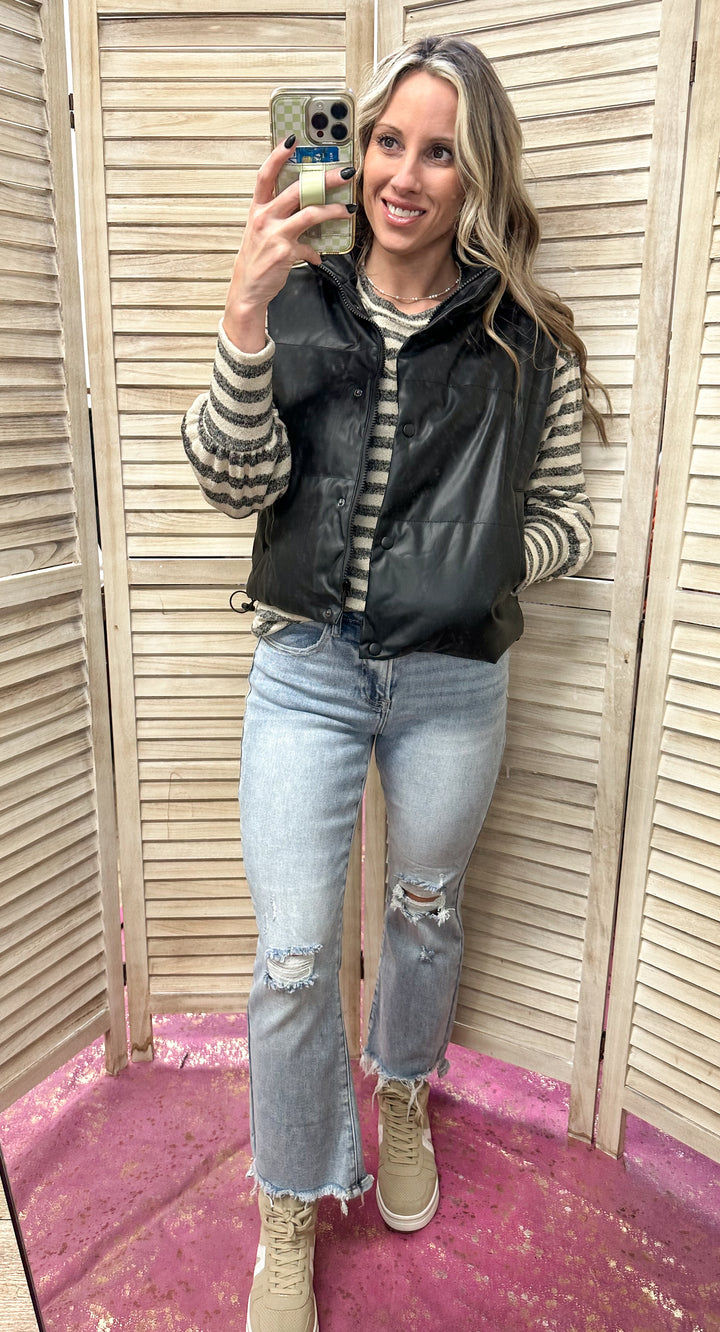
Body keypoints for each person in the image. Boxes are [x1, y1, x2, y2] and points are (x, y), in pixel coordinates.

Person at [183, 34, 606, 1332]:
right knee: (294, 958)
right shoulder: (297, 298)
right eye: (385, 141)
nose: (403, 175)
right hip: (305, 670)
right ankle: (291, 1199)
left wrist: (480, 567)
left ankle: (404, 1090)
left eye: (439, 152)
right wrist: (244, 315)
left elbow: (568, 520)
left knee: (423, 911)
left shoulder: (524, 340)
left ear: (478, 176)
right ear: (354, 149)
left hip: (450, 682)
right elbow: (234, 484)